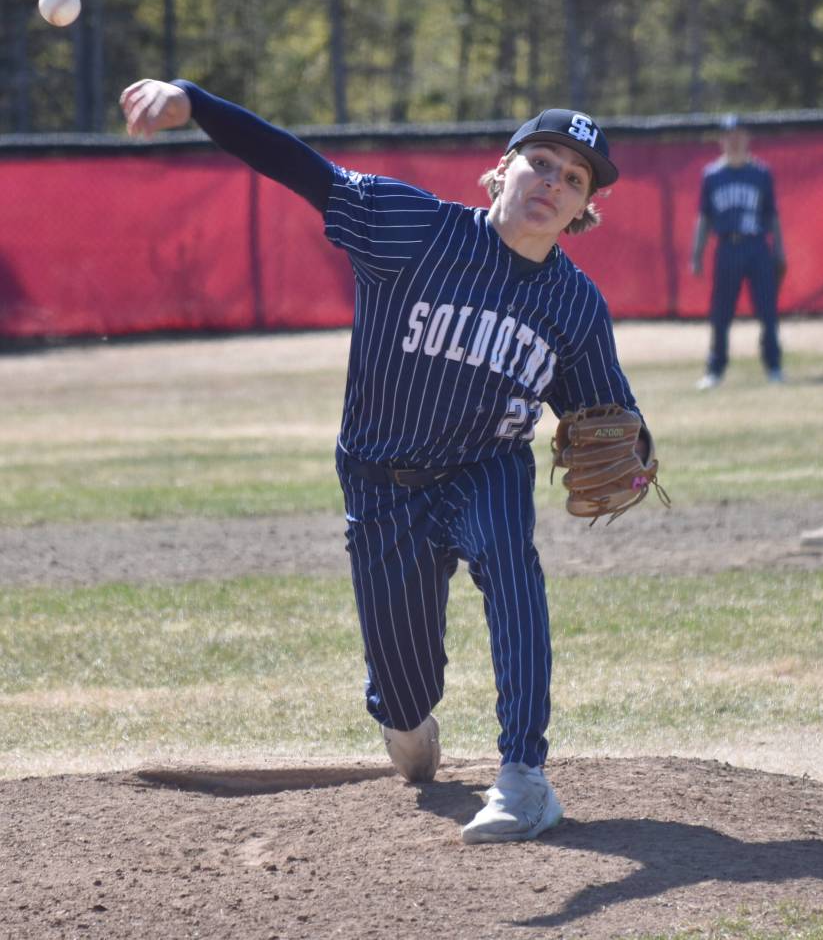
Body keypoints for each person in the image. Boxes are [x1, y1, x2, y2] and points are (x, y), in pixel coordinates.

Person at [120, 79, 647, 844]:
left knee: (511, 562)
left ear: (582, 209)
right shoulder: (409, 227)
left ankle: (525, 775)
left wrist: (637, 454)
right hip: (380, 481)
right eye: (542, 161)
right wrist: (195, 102)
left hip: (486, 467)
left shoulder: (575, 304)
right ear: (502, 169)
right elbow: (301, 168)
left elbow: (606, 413)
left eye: (575, 179)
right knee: (403, 699)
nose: (554, 183)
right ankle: (406, 720)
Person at [690, 114, 787, 390]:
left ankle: (774, 366)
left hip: (757, 246)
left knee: (767, 310)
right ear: (721, 140)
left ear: (747, 138)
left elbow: (773, 215)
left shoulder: (760, 173)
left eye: (739, 135)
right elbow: (704, 217)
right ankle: (715, 369)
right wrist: (697, 254)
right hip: (727, 247)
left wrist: (779, 250)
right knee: (721, 312)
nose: (734, 141)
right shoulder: (712, 175)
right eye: (728, 136)